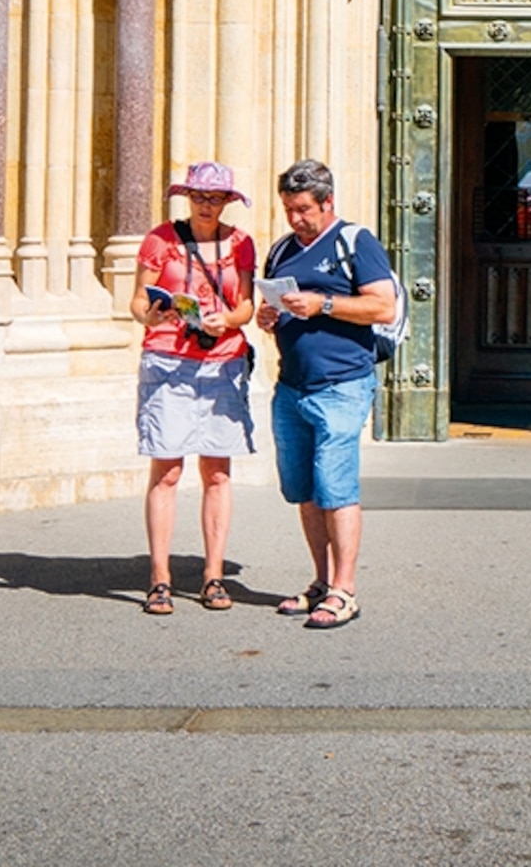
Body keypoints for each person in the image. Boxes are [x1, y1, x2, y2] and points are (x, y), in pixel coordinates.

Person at [258, 159, 399, 631]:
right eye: (288, 209)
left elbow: (383, 306)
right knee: (305, 490)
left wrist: (325, 303)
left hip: (342, 385)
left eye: (303, 209)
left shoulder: (355, 243)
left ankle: (345, 590)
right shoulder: (280, 250)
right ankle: (320, 581)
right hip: (292, 385)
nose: (295, 219)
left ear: (327, 203)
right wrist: (270, 316)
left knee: (336, 488)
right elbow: (279, 305)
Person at [131, 163, 256, 617]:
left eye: (216, 196)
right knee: (166, 471)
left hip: (222, 362)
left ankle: (213, 575)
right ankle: (159, 579)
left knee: (217, 472)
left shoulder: (240, 243)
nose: (206, 204)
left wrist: (230, 320)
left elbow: (245, 304)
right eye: (199, 196)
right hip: (168, 359)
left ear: (228, 201)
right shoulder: (160, 239)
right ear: (187, 197)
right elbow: (138, 300)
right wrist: (153, 316)